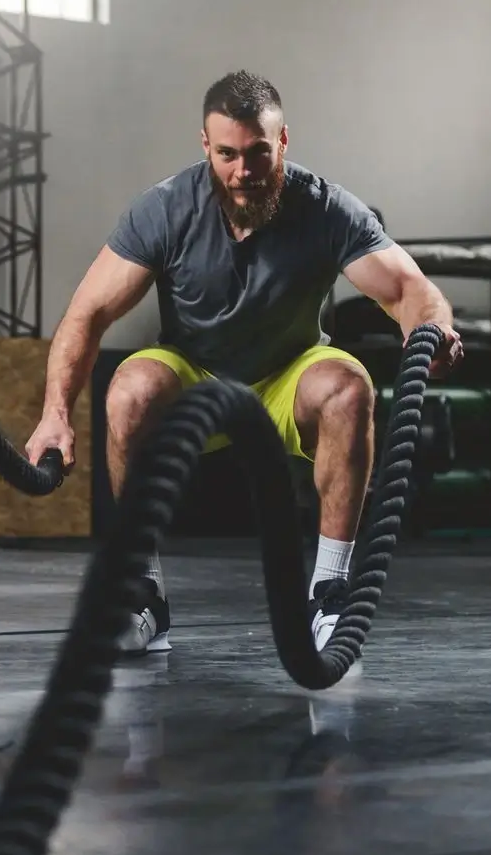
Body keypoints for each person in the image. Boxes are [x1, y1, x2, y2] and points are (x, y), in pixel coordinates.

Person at [23, 69, 464, 660]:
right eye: (227, 154)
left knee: (349, 387)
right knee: (128, 389)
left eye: (258, 152)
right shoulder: (165, 209)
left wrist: (432, 332)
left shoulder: (326, 208)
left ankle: (330, 594)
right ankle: (141, 592)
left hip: (287, 375)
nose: (243, 171)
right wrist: (55, 414)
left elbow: (409, 289)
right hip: (196, 378)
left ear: (282, 141)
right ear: (206, 145)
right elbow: (87, 314)